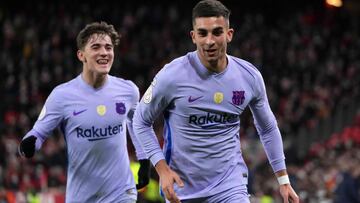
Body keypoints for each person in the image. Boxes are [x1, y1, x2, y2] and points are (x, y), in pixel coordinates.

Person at [133, 0, 299, 203]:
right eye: (202, 33)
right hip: (183, 190)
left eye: (217, 32)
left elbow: (267, 127)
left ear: (229, 34)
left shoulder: (249, 77)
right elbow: (140, 121)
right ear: (193, 37)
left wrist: (283, 179)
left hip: (230, 187)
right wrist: (162, 169)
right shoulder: (172, 76)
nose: (209, 41)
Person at [18, 21, 150, 203]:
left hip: (121, 192)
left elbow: (136, 125)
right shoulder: (62, 96)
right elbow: (38, 133)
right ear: (81, 55)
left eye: (108, 47)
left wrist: (144, 161)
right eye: (96, 47)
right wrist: (29, 144)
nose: (104, 52)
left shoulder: (128, 90)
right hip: (81, 196)